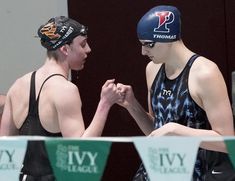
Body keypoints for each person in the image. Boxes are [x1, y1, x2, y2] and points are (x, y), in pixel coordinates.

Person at [116, 5, 235, 181]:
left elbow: (227, 142)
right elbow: (156, 131)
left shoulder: (205, 73)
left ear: (167, 37)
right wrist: (132, 105)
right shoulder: (152, 69)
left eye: (148, 45)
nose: (143, 52)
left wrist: (176, 130)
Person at [0, 16, 123, 181]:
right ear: (65, 49)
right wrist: (105, 103)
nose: (88, 50)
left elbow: (6, 153)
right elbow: (80, 153)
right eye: (83, 44)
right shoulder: (65, 90)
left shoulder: (17, 86)